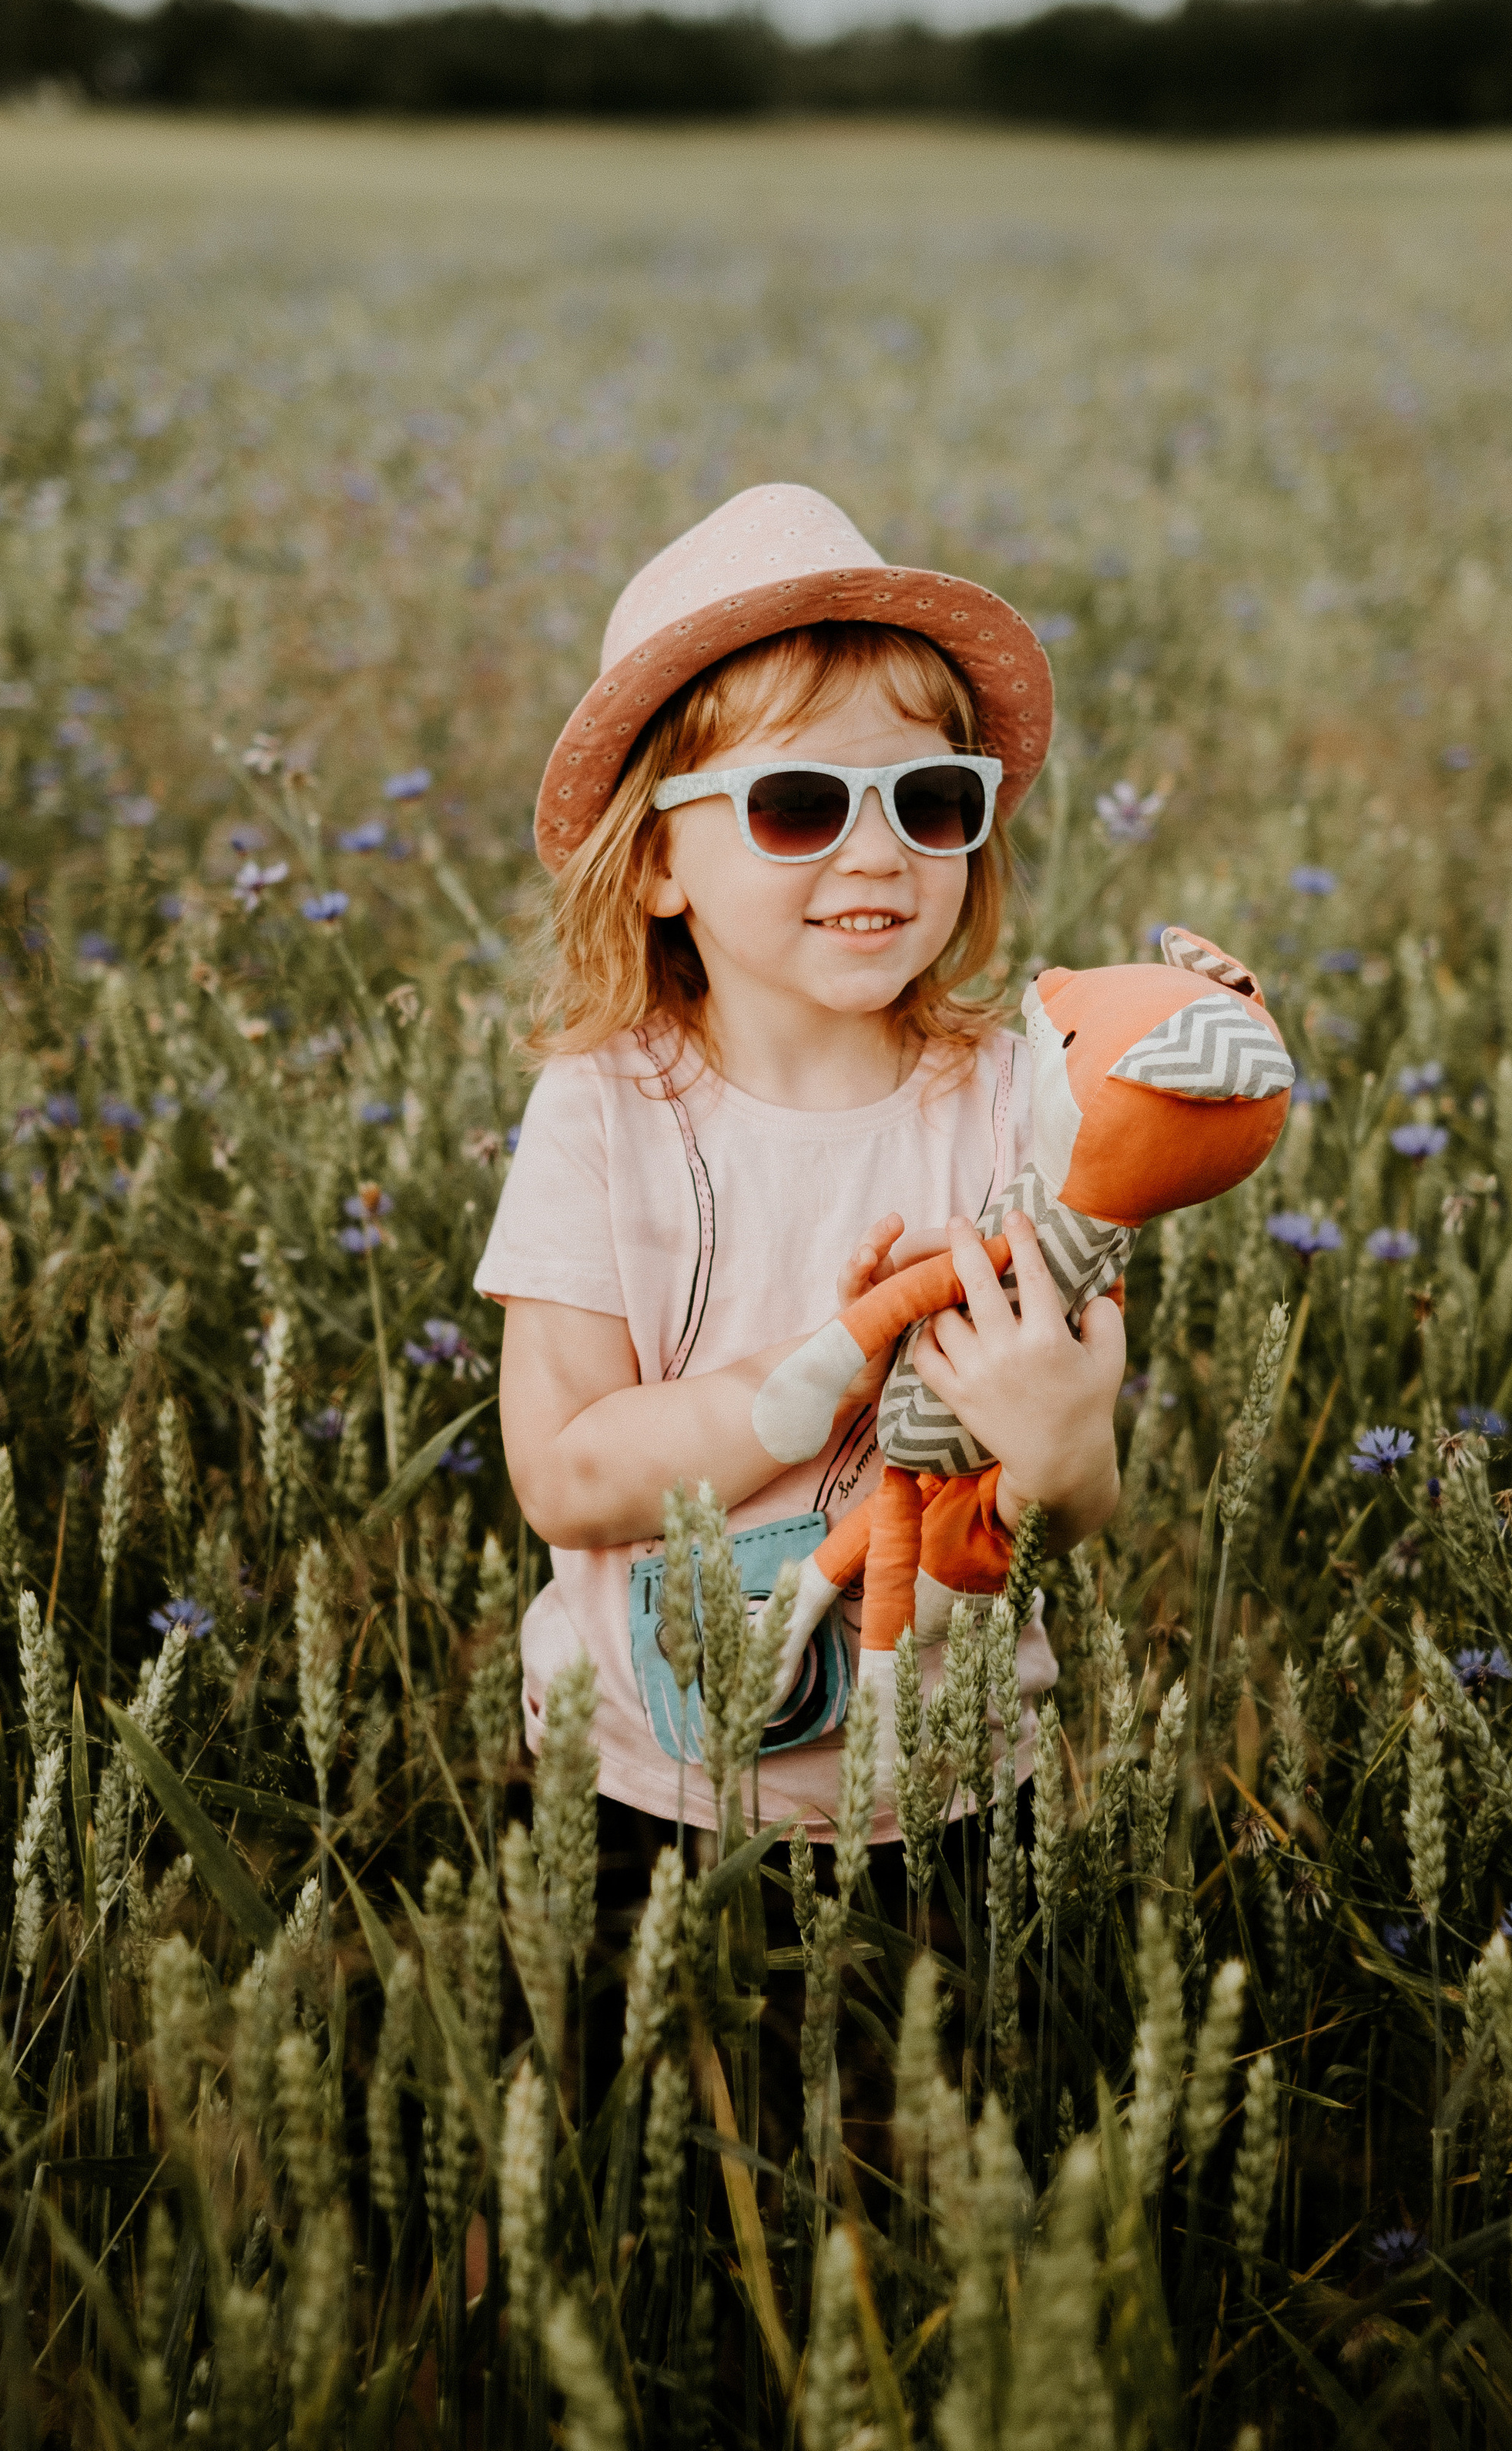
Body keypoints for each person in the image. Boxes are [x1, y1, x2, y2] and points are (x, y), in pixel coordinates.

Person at [474, 483, 1128, 1848]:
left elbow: (1067, 1499)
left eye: (931, 799)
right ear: (657, 859)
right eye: (798, 805)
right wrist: (827, 1369)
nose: (879, 850)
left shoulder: (1018, 1100)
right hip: (650, 1785)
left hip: (956, 1786)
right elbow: (566, 1474)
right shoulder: (604, 1111)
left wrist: (1067, 1449)